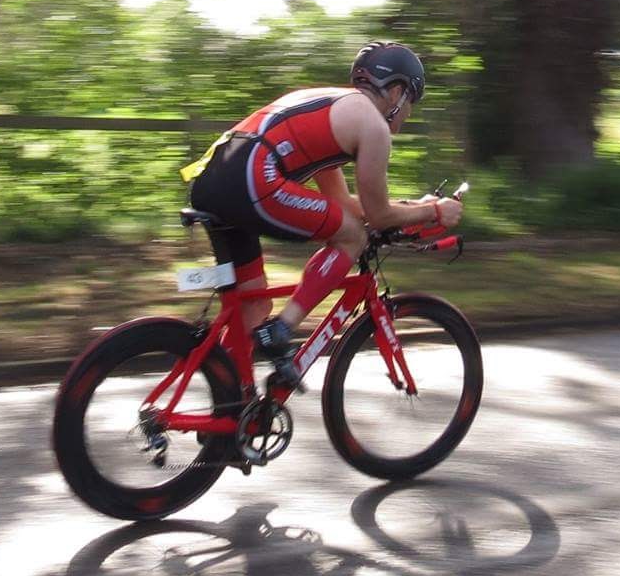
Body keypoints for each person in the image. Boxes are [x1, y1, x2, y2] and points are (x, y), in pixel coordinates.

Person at [183, 42, 464, 388]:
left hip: (214, 175)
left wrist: (410, 209)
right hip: (251, 176)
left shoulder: (335, 109)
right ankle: (283, 330)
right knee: (353, 237)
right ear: (396, 92)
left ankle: (229, 407)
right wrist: (434, 210)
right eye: (411, 103)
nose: (408, 115)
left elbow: (343, 203)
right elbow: (374, 218)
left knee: (252, 309)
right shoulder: (373, 127)